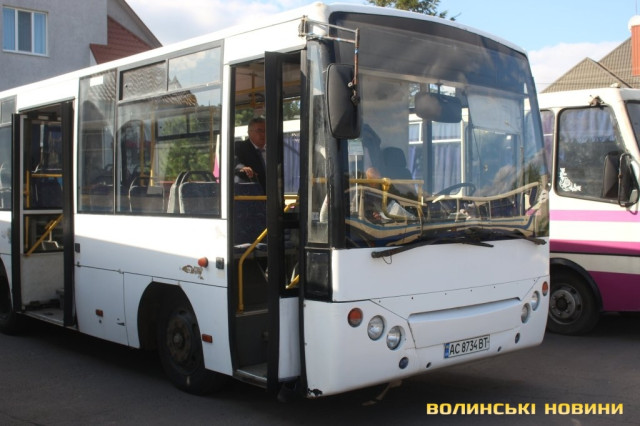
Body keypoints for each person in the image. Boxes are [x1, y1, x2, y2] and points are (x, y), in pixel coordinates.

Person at [235, 117, 267, 193]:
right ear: (249, 132)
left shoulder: (274, 150)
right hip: (250, 195)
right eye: (259, 131)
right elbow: (234, 161)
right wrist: (242, 168)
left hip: (272, 196)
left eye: (266, 131)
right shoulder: (240, 147)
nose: (263, 134)